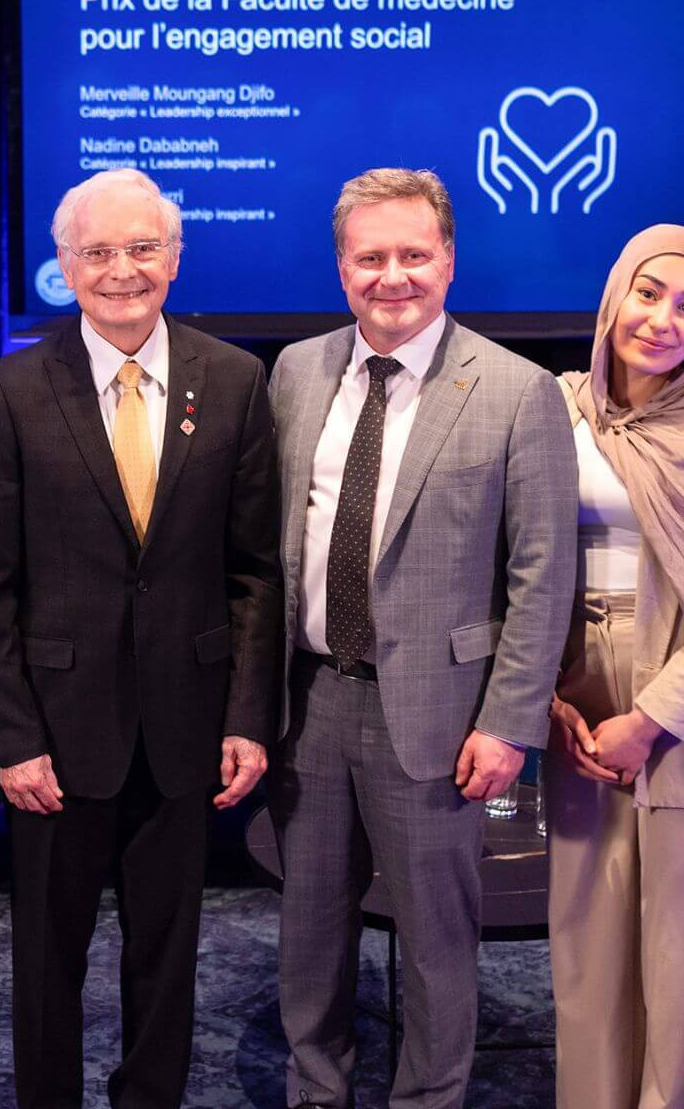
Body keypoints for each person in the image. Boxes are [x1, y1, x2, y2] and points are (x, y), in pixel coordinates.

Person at [0, 167, 282, 1109]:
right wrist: (11, 736)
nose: (121, 271)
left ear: (175, 259)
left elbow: (254, 569)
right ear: (64, 264)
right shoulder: (13, 388)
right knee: (47, 963)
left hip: (187, 727)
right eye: (97, 252)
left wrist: (248, 717)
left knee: (167, 956)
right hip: (55, 739)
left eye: (142, 249)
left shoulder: (234, 380)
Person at [268, 168, 578, 1109]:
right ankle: (316, 1093)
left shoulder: (517, 391)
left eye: (413, 254)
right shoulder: (295, 371)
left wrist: (511, 725)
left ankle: (428, 1100)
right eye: (370, 257)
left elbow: (542, 574)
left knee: (440, 948)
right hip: (310, 703)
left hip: (444, 723)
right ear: (340, 267)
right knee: (308, 936)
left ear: (448, 260)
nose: (391, 275)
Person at [547, 224, 684, 1109]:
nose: (664, 320)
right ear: (613, 297)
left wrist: (656, 715)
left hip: (672, 688)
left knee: (676, 950)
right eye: (649, 293)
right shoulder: (551, 406)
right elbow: (514, 559)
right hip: (577, 696)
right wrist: (544, 696)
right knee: (586, 948)